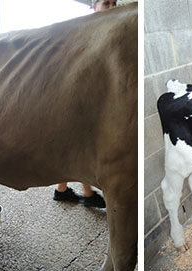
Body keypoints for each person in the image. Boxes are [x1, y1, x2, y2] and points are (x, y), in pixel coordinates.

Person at [52, 0, 115, 209]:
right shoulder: (87, 30)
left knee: (79, 147)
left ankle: (64, 190)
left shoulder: (105, 29)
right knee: (81, 148)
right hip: (78, 97)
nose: (112, 7)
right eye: (106, 3)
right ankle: (84, 193)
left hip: (91, 96)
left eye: (114, 3)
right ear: (94, 6)